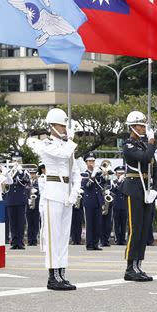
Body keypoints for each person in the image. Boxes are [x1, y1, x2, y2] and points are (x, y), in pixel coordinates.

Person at [35, 108, 81, 291]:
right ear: (52, 126)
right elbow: (61, 155)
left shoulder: (67, 146)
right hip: (53, 192)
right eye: (62, 125)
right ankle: (53, 276)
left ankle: (62, 273)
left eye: (65, 126)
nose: (64, 129)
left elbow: (76, 171)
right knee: (53, 236)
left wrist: (75, 192)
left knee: (63, 236)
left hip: (66, 192)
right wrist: (70, 140)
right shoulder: (46, 144)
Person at [121, 110, 157, 281]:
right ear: (132, 127)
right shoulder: (128, 145)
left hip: (146, 190)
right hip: (134, 188)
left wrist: (155, 189)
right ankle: (130, 267)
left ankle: (138, 265)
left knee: (144, 230)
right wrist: (151, 143)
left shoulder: (145, 145)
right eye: (140, 125)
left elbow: (155, 169)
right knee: (135, 229)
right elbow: (145, 158)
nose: (143, 128)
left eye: (144, 125)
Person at [6, 156, 31, 250]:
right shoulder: (8, 171)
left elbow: (27, 182)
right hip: (11, 199)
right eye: (14, 161)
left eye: (18, 161)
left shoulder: (24, 171)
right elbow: (6, 182)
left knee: (20, 222)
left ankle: (20, 242)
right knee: (12, 222)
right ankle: (14, 242)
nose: (16, 162)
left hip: (20, 199)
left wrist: (21, 173)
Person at [81, 154, 105, 251]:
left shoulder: (98, 173)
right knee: (90, 223)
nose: (92, 163)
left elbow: (103, 185)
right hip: (89, 201)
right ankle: (89, 244)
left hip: (98, 200)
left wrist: (103, 176)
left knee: (98, 223)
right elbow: (86, 186)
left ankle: (96, 243)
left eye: (93, 161)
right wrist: (93, 175)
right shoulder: (84, 174)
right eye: (89, 161)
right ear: (86, 163)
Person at [110, 166, 127, 245]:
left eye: (122, 173)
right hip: (116, 204)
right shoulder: (114, 181)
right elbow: (113, 190)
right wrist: (119, 181)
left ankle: (123, 239)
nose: (121, 174)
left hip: (124, 204)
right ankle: (117, 239)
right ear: (116, 174)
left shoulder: (126, 182)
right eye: (119, 173)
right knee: (116, 223)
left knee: (124, 223)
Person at [26, 166, 42, 247]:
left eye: (34, 173)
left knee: (36, 222)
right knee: (29, 223)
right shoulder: (27, 181)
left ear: (36, 174)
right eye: (31, 173)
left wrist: (36, 192)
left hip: (36, 203)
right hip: (29, 204)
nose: (32, 175)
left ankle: (34, 240)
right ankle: (29, 240)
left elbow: (41, 191)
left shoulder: (39, 182)